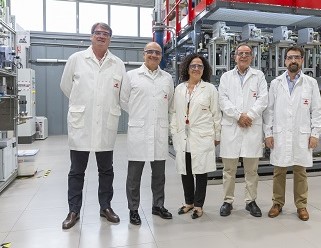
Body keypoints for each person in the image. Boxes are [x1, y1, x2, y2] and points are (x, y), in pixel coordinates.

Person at [60, 22, 127, 229]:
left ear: (110, 39)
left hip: (106, 123)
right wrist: (84, 105)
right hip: (82, 123)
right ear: (91, 37)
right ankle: (74, 211)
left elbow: (122, 94)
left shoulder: (118, 64)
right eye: (97, 33)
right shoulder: (76, 59)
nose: (101, 36)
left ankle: (105, 207)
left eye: (105, 34)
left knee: (106, 170)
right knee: (77, 170)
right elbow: (66, 86)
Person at [263, 46, 321, 221]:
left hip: (301, 134)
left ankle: (301, 205)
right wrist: (268, 133)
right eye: (290, 58)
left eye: (297, 57)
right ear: (285, 61)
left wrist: (315, 134)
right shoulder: (275, 84)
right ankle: (277, 203)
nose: (293, 61)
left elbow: (317, 111)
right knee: (278, 171)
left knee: (300, 171)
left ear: (302, 60)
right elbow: (269, 111)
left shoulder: (310, 83)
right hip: (280, 134)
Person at [120, 42, 174, 226]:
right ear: (143, 54)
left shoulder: (167, 78)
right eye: (150, 52)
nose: (153, 55)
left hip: (159, 130)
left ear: (161, 56)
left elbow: (170, 103)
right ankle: (133, 209)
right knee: (134, 176)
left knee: (159, 175)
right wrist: (139, 116)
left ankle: (158, 205)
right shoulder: (131, 76)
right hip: (139, 130)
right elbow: (123, 101)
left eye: (157, 52)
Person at [218, 43, 269, 217]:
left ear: (252, 57)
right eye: (240, 53)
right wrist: (239, 115)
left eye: (247, 53)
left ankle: (250, 201)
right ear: (235, 56)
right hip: (232, 126)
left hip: (251, 127)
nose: (244, 56)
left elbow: (263, 99)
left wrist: (250, 115)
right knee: (229, 170)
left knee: (252, 170)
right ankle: (227, 201)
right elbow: (223, 100)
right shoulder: (226, 77)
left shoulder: (259, 76)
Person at [170, 54, 221, 219]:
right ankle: (188, 202)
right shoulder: (179, 89)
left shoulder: (210, 89)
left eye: (200, 66)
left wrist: (217, 134)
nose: (196, 69)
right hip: (182, 136)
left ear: (204, 69)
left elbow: (216, 114)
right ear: (187, 68)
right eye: (193, 65)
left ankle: (198, 206)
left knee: (201, 171)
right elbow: (174, 112)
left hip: (203, 136)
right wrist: (173, 130)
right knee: (185, 170)